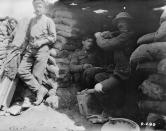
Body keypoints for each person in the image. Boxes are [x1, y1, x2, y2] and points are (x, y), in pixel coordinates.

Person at [86, 12, 136, 122]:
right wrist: (110, 34)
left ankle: (108, 112)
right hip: (118, 71)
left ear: (129, 23)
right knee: (99, 76)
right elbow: (117, 34)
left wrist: (99, 36)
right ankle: (112, 107)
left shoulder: (126, 36)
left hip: (124, 74)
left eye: (123, 22)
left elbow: (105, 45)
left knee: (98, 88)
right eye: (118, 23)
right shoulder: (125, 33)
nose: (120, 24)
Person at [18, 0, 56, 106]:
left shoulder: (48, 21)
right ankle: (40, 90)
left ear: (44, 8)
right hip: (30, 49)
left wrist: (41, 42)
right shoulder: (32, 21)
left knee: (36, 74)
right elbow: (27, 37)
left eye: (39, 6)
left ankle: (37, 97)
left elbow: (53, 37)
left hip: (42, 49)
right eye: (36, 6)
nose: (37, 8)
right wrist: (22, 49)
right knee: (21, 70)